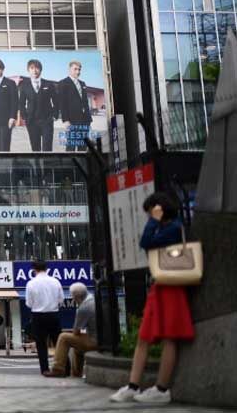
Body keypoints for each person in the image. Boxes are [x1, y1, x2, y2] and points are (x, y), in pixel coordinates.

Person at [110, 192, 193, 404]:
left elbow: (146, 242)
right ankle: (133, 385)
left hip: (171, 285)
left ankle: (162, 388)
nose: (148, 216)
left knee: (168, 338)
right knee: (143, 338)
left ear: (159, 209)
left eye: (151, 211)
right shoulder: (166, 228)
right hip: (161, 286)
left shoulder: (173, 228)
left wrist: (154, 220)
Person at [44, 282, 97, 378]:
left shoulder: (83, 308)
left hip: (95, 341)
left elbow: (76, 332)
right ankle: (76, 374)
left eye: (72, 296)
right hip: (102, 339)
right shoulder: (94, 300)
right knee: (78, 346)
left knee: (63, 337)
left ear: (77, 297)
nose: (72, 299)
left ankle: (58, 369)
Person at [25, 260, 64, 374]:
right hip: (53, 314)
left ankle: (45, 369)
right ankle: (64, 367)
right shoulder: (55, 281)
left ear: (34, 270)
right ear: (46, 269)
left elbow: (29, 304)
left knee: (41, 344)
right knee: (59, 343)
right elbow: (61, 300)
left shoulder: (31, 283)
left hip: (38, 316)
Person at [18, 59, 58, 151]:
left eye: (37, 68)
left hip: (47, 120)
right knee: (35, 148)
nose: (35, 70)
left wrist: (54, 115)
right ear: (28, 70)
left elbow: (56, 101)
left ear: (40, 70)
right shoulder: (24, 85)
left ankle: (47, 165)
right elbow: (21, 103)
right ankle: (37, 166)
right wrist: (24, 116)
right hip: (31, 121)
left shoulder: (49, 84)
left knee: (47, 147)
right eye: (32, 68)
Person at [56, 61, 93, 152]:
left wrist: (89, 120)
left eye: (79, 69)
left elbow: (85, 102)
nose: (78, 72)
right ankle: (69, 165)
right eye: (75, 69)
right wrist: (66, 120)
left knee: (83, 146)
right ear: (69, 69)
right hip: (72, 120)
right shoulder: (63, 83)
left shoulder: (82, 83)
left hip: (85, 120)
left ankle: (82, 165)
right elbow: (62, 103)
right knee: (71, 146)